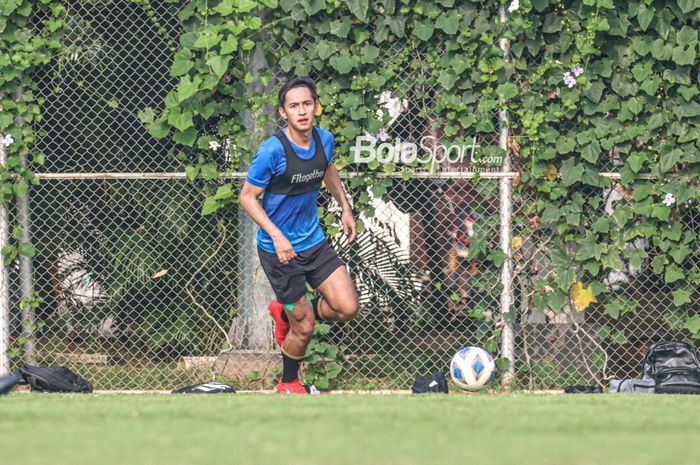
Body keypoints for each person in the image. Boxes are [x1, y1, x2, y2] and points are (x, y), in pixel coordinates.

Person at [239, 77, 360, 394]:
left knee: (347, 307)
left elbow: (327, 169)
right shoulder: (271, 152)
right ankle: (288, 383)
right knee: (304, 326)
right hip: (280, 252)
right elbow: (247, 197)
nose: (302, 111)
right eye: (294, 106)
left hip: (314, 242)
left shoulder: (324, 140)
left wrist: (346, 209)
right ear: (283, 112)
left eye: (307, 104)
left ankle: (286, 312)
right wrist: (277, 236)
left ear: (315, 107)